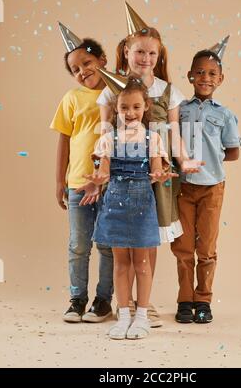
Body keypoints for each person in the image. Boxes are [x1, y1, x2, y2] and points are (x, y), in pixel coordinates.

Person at [98, 21, 200, 326]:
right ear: (127, 52)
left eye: (152, 53)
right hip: (121, 174)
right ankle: (123, 304)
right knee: (121, 242)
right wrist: (98, 168)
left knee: (148, 237)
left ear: (159, 55)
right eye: (140, 51)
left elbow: (175, 132)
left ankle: (145, 303)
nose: (145, 58)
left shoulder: (168, 91)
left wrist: (184, 160)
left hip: (157, 173)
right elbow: (103, 132)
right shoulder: (111, 89)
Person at [85, 78, 178, 339]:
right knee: (120, 263)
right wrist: (96, 180)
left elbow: (157, 170)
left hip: (141, 204)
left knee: (142, 262)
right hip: (114, 204)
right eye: (124, 108)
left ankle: (142, 317)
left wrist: (161, 176)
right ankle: (123, 316)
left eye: (136, 107)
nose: (130, 113)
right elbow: (103, 173)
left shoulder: (153, 138)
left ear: (146, 106)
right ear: (116, 109)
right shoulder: (107, 139)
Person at [171, 41, 241, 324]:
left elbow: (233, 151)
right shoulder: (181, 110)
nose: (205, 78)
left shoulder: (224, 115)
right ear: (190, 76)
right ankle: (185, 300)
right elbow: (172, 141)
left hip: (212, 188)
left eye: (212, 73)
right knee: (183, 246)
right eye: (200, 72)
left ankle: (204, 300)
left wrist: (209, 162)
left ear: (220, 79)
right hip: (184, 187)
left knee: (207, 248)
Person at [50, 23, 113, 323]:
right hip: (78, 183)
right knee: (78, 244)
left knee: (107, 244)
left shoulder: (117, 93)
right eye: (75, 69)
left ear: (102, 60)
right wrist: (58, 180)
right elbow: (63, 139)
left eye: (87, 63)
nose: (82, 71)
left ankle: (103, 301)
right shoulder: (72, 98)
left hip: (110, 183)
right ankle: (77, 299)